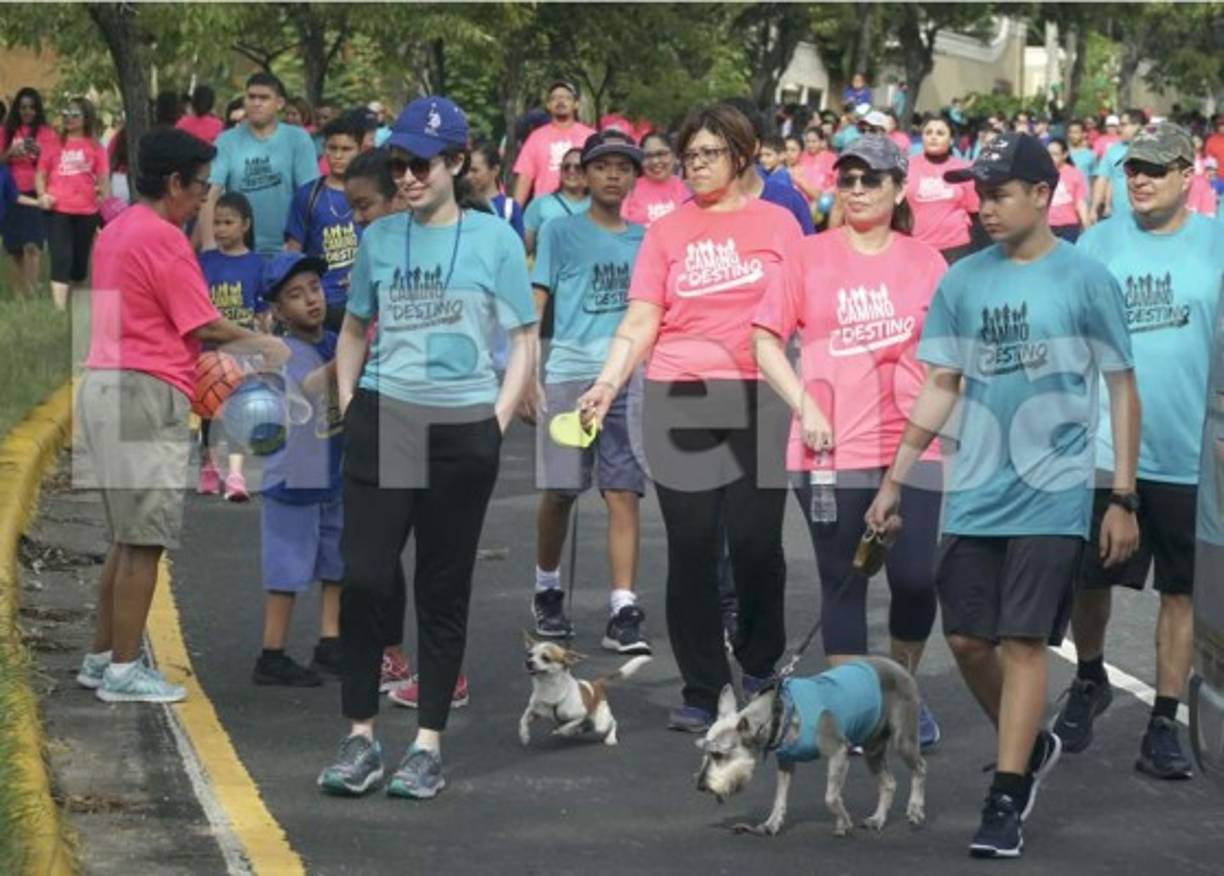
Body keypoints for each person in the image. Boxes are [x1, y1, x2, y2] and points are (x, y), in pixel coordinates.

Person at [865, 132, 1140, 859]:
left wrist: (1122, 495)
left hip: (1053, 493)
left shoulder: (1085, 280)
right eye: (977, 194)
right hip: (975, 490)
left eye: (998, 193)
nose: (982, 207)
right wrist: (896, 479)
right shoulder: (961, 282)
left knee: (1023, 644)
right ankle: (1031, 742)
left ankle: (1007, 794)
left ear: (1043, 195)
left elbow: (1121, 386)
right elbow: (941, 385)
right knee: (965, 639)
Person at [317, 96, 536, 799]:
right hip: (386, 418)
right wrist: (351, 402)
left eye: (420, 164)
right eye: (399, 164)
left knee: (444, 588)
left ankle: (427, 744)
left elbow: (523, 339)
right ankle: (359, 738)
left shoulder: (494, 239)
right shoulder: (381, 238)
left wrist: (496, 420)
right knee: (366, 577)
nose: (406, 177)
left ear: (457, 163)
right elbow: (354, 327)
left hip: (462, 428)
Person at [576, 103, 802, 733]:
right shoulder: (667, 231)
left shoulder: (780, 225)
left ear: (742, 154)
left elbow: (804, 312)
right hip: (680, 396)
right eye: (690, 155)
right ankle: (703, 686)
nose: (696, 165)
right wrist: (606, 381)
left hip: (759, 394)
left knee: (757, 546)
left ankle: (760, 667)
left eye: (709, 153)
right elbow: (643, 318)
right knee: (694, 547)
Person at [76, 128, 288, 704]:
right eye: (199, 188)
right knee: (144, 540)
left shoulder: (116, 231)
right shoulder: (165, 239)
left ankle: (101, 657)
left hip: (102, 383)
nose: (204, 200)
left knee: (124, 536)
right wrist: (264, 345)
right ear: (173, 183)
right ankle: (124, 670)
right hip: (146, 391)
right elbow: (203, 324)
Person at [752, 136, 948, 751]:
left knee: (916, 580)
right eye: (849, 178)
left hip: (914, 449)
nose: (858, 189)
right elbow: (764, 342)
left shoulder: (928, 262)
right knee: (845, 582)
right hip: (830, 450)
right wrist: (805, 403)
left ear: (897, 189)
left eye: (871, 179)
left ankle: (903, 695)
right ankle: (853, 717)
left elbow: (947, 359)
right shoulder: (808, 257)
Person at [1053, 122, 1224, 781]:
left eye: (1156, 168)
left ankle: (1163, 723)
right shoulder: (1097, 245)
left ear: (1189, 174)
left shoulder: (1215, 245)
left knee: (1180, 592)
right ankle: (1090, 675)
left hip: (1191, 454)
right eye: (1131, 169)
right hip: (1105, 446)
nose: (1141, 180)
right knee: (1089, 577)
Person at [529, 130, 650, 654]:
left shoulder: (646, 239)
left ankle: (623, 604)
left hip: (625, 377)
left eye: (625, 168)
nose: (613, 176)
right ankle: (547, 589)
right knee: (560, 491)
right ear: (584, 172)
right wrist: (528, 373)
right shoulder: (559, 231)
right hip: (569, 373)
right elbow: (536, 303)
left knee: (623, 491)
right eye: (604, 166)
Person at [252, 252, 346, 688]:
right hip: (291, 476)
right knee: (287, 569)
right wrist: (355, 350)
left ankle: (331, 642)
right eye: (295, 294)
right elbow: (311, 387)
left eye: (314, 288)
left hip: (330, 470)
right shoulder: (285, 351)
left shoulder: (331, 340)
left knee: (336, 559)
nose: (311, 299)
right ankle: (272, 654)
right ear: (277, 310)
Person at [200, 72, 319, 256]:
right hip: (238, 251)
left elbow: (310, 196)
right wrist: (210, 247)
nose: (256, 103)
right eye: (251, 97)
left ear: (279, 103)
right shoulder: (226, 141)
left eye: (264, 98)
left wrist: (298, 245)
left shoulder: (298, 139)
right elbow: (210, 194)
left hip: (288, 249)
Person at [197, 192, 265, 501]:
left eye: (228, 222)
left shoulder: (257, 264)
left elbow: (263, 313)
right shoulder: (205, 261)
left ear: (245, 224)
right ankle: (210, 463)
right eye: (217, 223)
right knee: (211, 413)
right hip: (209, 351)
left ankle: (236, 474)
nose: (221, 229)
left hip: (244, 352)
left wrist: (266, 345)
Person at [285, 114, 363, 332]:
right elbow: (293, 253)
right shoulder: (308, 195)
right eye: (332, 148)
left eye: (346, 149)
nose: (338, 156)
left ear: (359, 150)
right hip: (321, 304)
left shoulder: (370, 194)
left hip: (363, 300)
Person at [36, 96, 108, 311]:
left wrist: (104, 207)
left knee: (79, 265)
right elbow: (40, 174)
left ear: (86, 118)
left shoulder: (95, 147)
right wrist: (42, 195)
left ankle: (78, 307)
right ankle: (59, 311)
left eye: (75, 114)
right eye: (65, 114)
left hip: (87, 211)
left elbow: (103, 180)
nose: (68, 118)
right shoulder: (53, 144)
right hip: (57, 209)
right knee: (60, 257)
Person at [1, 87, 56, 299]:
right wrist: (10, 153)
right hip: (11, 192)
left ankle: (32, 290)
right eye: (23, 107)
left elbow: (55, 163)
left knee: (33, 244)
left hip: (36, 192)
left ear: (37, 109)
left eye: (32, 107)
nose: (28, 112)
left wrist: (40, 154)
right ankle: (18, 294)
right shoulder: (6, 131)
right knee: (14, 248)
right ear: (17, 109)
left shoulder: (46, 133)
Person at [906, 117, 980, 263]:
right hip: (917, 244)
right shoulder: (906, 167)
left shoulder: (963, 169)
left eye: (940, 133)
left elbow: (974, 212)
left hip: (956, 245)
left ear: (951, 140)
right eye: (928, 133)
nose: (933, 137)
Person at [512, 80, 596, 205]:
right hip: (545, 210)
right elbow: (525, 178)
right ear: (548, 105)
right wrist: (515, 215)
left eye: (566, 98)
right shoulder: (536, 138)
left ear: (576, 104)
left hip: (583, 209)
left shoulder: (590, 136)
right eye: (555, 98)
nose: (560, 101)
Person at [522, 146, 589, 256]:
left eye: (578, 167)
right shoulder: (540, 204)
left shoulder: (597, 206)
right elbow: (524, 250)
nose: (571, 171)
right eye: (566, 167)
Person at [623, 131, 690, 228]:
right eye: (648, 156)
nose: (655, 161)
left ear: (674, 156)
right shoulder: (630, 188)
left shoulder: (687, 189)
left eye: (661, 154)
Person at [468, 139, 525, 240]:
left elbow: (518, 249)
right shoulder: (461, 205)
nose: (468, 176)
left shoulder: (509, 209)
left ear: (494, 170)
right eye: (466, 170)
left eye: (474, 170)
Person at [1093, 110, 1144, 221]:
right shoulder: (1113, 150)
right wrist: (1094, 208)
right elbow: (1102, 179)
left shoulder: (1153, 149)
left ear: (1138, 126)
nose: (1119, 129)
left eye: (1123, 125)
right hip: (1118, 218)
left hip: (1148, 218)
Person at [1046, 138, 1092, 242]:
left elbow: (1080, 203)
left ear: (1065, 155)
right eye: (1048, 153)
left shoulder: (1075, 174)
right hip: (1046, 227)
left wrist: (1088, 227)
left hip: (1068, 227)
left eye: (1055, 154)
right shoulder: (1041, 174)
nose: (1050, 157)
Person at [792, 126, 835, 205]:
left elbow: (837, 183)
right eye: (808, 141)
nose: (810, 145)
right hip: (801, 199)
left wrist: (825, 194)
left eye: (814, 141)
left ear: (822, 141)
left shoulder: (831, 158)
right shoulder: (802, 156)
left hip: (821, 202)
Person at [1204, 114, 1224, 184]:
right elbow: (1208, 161)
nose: (1223, 127)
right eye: (1221, 125)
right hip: (1217, 179)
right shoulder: (1211, 141)